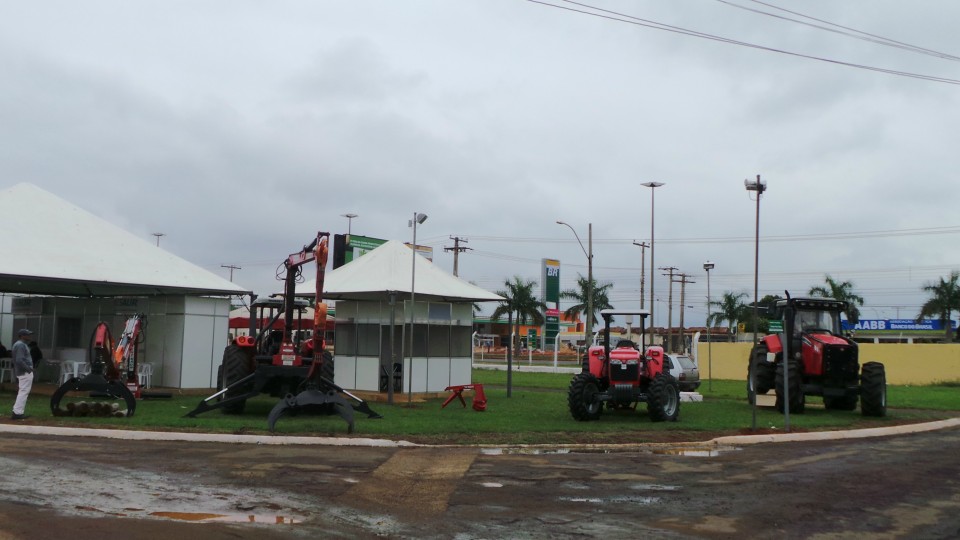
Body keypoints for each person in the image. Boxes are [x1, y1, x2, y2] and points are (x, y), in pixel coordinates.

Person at [11, 328, 35, 420]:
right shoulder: (21, 345)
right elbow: (19, 360)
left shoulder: (19, 344)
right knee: (24, 392)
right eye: (27, 334)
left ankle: (17, 412)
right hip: (24, 372)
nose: (29, 336)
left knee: (22, 391)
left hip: (22, 372)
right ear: (22, 336)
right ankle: (17, 413)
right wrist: (29, 369)